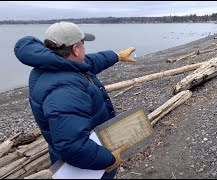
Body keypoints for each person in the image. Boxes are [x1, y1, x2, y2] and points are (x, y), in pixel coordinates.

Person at [14, 21, 136, 179]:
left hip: (80, 154)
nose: (85, 49)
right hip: (86, 167)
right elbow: (72, 146)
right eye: (83, 44)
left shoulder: (52, 66)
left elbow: (90, 62)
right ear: (76, 49)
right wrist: (109, 159)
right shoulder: (65, 89)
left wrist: (116, 56)